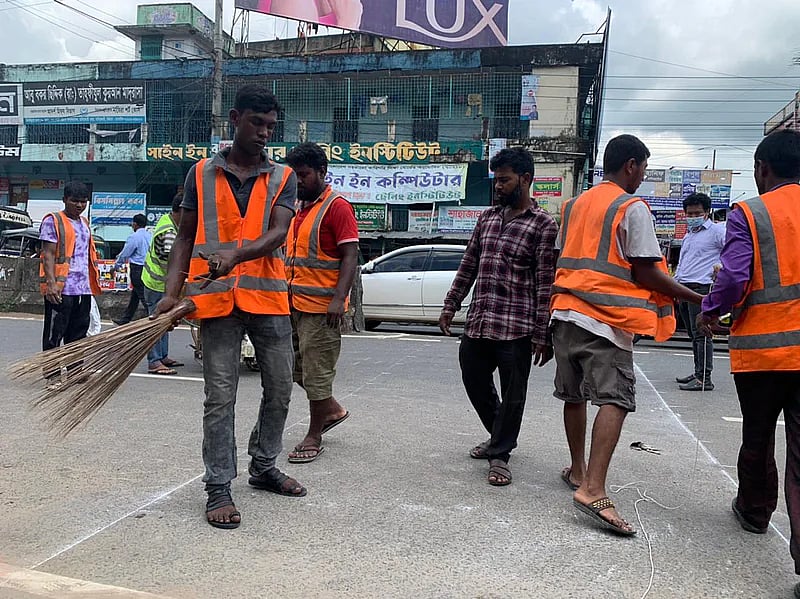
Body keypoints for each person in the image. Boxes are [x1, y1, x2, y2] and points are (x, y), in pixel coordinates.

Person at [153, 84, 305, 530]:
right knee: (220, 395)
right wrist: (170, 291)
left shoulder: (283, 177)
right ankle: (219, 486)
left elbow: (278, 232)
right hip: (216, 301)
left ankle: (263, 465)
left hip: (268, 297)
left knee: (279, 386)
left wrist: (236, 256)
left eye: (270, 126)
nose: (264, 133)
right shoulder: (200, 173)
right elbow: (184, 236)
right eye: (257, 123)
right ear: (235, 118)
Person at [550, 134, 703, 535]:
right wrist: (696, 298)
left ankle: (578, 470)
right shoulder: (630, 207)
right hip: (604, 321)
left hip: (565, 313)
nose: (642, 177)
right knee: (615, 399)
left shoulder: (573, 205)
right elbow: (648, 271)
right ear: (631, 165)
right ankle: (593, 489)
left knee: (574, 395)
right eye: (644, 169)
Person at [696, 129, 800, 595]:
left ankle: (755, 512)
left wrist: (709, 310)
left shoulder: (751, 213)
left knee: (757, 437)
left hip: (762, 354)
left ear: (762, 169)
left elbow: (736, 274)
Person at [439, 147, 558, 487]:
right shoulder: (487, 218)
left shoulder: (543, 226)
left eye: (505, 180)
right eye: (497, 180)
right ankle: (500, 436)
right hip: (480, 321)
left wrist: (542, 335)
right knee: (473, 379)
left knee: (514, 394)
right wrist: (451, 304)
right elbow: (469, 264)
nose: (498, 186)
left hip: (517, 328)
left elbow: (544, 284)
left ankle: (500, 454)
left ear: (526, 179)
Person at [284, 143, 359, 464]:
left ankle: (314, 434)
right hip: (293, 305)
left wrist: (339, 299)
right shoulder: (298, 210)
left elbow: (350, 256)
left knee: (316, 374)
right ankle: (332, 410)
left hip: (322, 310)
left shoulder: (337, 207)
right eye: (294, 176)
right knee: (295, 370)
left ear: (321, 173)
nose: (298, 181)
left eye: (303, 175)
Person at [39, 181, 102, 384]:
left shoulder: (84, 223)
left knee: (78, 333)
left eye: (83, 201)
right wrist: (50, 284)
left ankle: (76, 371)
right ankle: (52, 375)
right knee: (54, 333)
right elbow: (47, 253)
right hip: (61, 287)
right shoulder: (54, 221)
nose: (79, 205)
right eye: (75, 201)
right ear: (65, 199)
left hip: (82, 288)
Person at [674, 192, 726, 391]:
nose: (693, 216)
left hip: (701, 288)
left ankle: (705, 378)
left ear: (707, 212)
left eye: (697, 212)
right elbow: (684, 262)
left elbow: (731, 251)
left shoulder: (717, 231)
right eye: (689, 213)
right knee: (692, 333)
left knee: (702, 333)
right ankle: (697, 372)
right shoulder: (690, 234)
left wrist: (720, 266)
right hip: (684, 288)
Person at [141, 194, 183, 375]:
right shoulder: (169, 232)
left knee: (165, 321)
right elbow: (172, 262)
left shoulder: (170, 222)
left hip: (159, 283)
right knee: (156, 321)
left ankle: (163, 356)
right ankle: (155, 361)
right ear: (181, 211)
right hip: (156, 283)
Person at [112, 213, 151, 325]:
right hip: (148, 268)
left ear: (135, 224)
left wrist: (117, 265)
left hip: (137, 269)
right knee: (136, 294)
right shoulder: (150, 236)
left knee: (142, 296)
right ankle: (125, 319)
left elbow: (126, 253)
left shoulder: (134, 237)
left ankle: (153, 317)